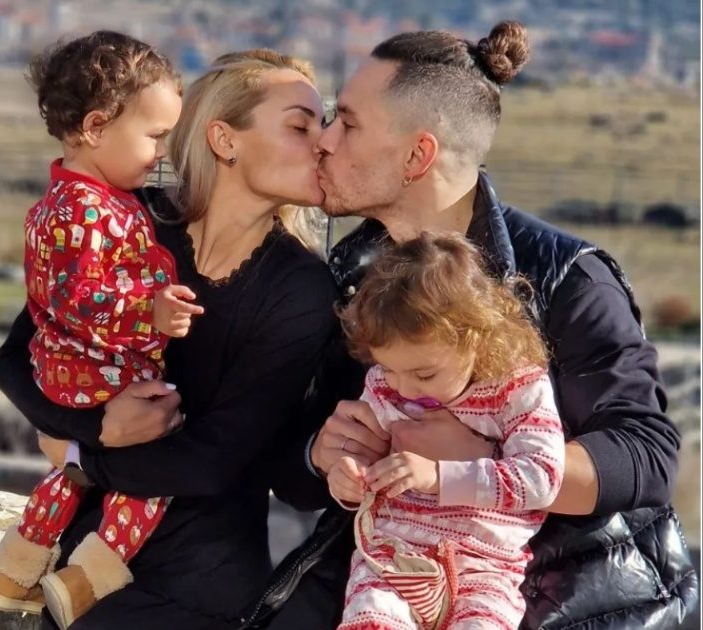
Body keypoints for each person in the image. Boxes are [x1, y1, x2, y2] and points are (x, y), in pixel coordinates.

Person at [258, 20, 697, 630]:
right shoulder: (348, 275)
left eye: (348, 123)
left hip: (563, 604)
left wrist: (476, 462)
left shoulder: (565, 277)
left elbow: (645, 456)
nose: (325, 140)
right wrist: (321, 455)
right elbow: (291, 459)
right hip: (394, 588)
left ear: (418, 155)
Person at [0, 49, 339, 629]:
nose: (323, 143)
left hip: (197, 595)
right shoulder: (132, 221)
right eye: (300, 127)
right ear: (224, 140)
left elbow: (214, 460)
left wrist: (80, 457)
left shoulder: (300, 288)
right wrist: (94, 427)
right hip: (71, 577)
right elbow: (16, 359)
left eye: (322, 126)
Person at [0, 31, 204, 630]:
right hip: (98, 371)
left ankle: (12, 573)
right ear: (97, 127)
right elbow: (77, 298)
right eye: (154, 136)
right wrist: (149, 312)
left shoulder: (71, 200)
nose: (161, 153)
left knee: (71, 472)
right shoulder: (87, 211)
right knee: (155, 470)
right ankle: (87, 579)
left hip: (68, 373)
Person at [331, 232, 564, 630]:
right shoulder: (385, 385)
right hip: (394, 557)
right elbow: (364, 458)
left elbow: (542, 478)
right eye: (388, 368)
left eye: (424, 374)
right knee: (370, 619)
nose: (404, 388)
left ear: (477, 337)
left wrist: (439, 476)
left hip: (485, 568)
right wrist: (348, 481)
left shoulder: (517, 388)